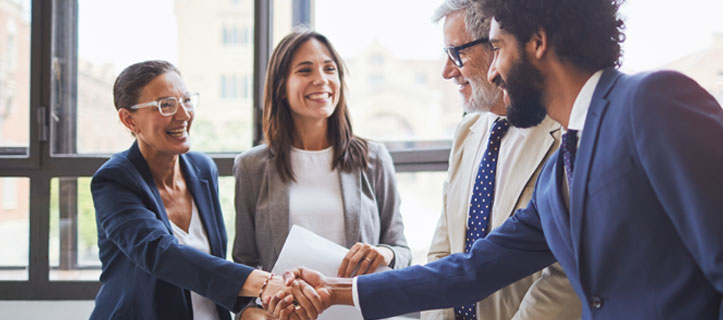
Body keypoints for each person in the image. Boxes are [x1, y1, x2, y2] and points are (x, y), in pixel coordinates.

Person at [270, 0, 723, 319]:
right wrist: (339, 292)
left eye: (497, 48)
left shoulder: (654, 102)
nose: (492, 72)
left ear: (538, 42)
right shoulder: (558, 176)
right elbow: (472, 269)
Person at [91, 60, 301, 319]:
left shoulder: (202, 169)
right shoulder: (115, 181)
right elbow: (161, 254)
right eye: (166, 105)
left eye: (187, 100)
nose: (183, 115)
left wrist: (253, 306)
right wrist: (264, 282)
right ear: (129, 119)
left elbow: (210, 262)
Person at [232, 28, 411, 319]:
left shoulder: (373, 158)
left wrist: (385, 254)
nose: (321, 79)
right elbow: (245, 265)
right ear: (281, 87)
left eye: (330, 69)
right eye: (305, 70)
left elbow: (401, 249)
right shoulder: (252, 167)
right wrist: (255, 313)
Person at [424, 1, 579, 319]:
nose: (447, 70)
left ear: (498, 45)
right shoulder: (468, 130)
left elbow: (566, 274)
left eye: (458, 53)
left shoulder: (566, 136)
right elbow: (444, 246)